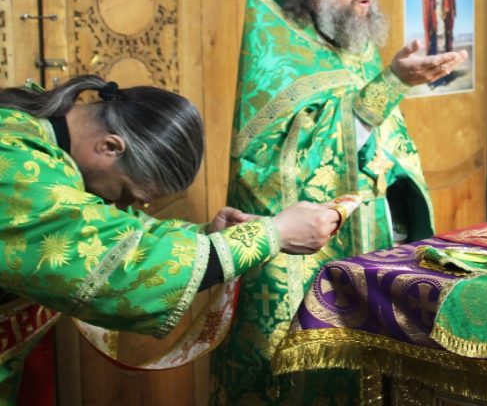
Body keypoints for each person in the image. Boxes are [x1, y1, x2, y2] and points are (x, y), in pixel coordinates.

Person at [210, 0, 467, 403]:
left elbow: (379, 139)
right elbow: (277, 163)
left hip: (367, 240)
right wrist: (392, 84)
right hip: (296, 257)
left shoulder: (354, 41)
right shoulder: (278, 48)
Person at [0, 75, 350, 404]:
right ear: (109, 146)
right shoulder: (14, 159)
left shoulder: (43, 141)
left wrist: (207, 237)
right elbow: (112, 262)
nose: (125, 208)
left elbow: (105, 226)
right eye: (128, 194)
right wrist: (271, 235)